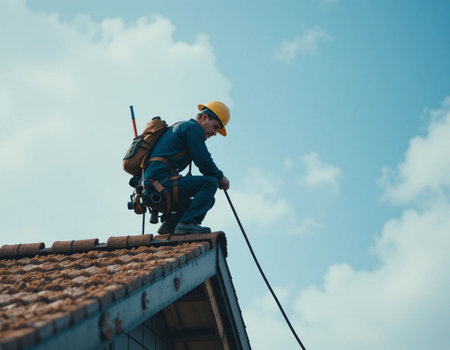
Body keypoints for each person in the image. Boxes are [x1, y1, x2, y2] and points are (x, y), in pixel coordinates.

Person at [143, 101, 230, 235]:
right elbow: (204, 162)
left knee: (207, 200)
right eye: (215, 127)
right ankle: (187, 224)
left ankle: (171, 225)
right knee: (210, 183)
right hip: (161, 183)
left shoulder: (182, 127)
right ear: (205, 117)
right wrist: (220, 178)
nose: (214, 133)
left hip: (154, 186)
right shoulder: (191, 128)